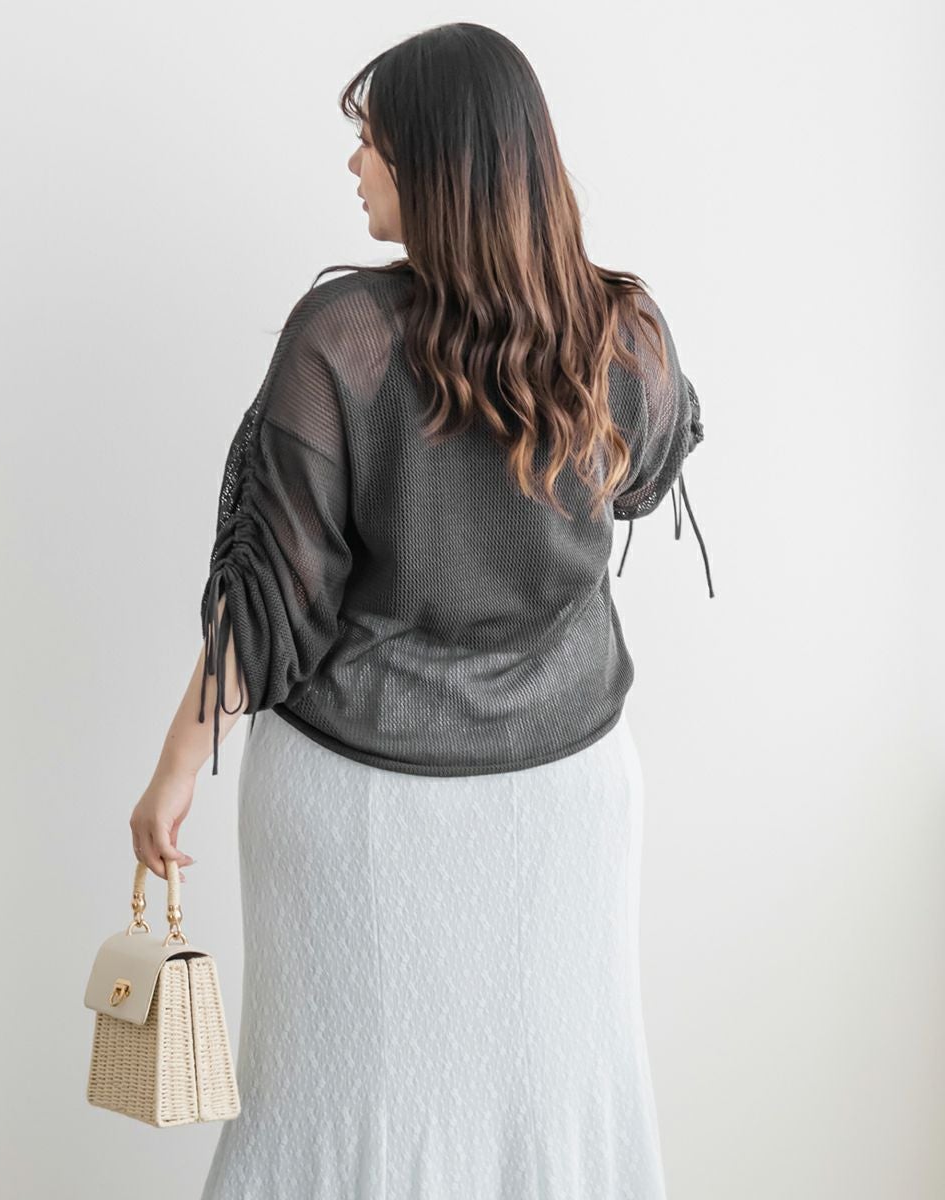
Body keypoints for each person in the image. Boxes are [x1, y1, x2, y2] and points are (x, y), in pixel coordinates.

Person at [129, 21, 713, 1200]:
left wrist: (175, 769)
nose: (355, 164)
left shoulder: (342, 338)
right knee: (555, 1107)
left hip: (354, 800)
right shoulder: (625, 332)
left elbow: (274, 602)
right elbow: (649, 478)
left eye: (375, 141)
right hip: (568, 794)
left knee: (331, 1112)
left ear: (439, 161)